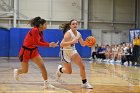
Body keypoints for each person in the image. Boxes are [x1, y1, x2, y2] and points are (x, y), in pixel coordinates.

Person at [14, 16, 58, 89]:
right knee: (25, 70)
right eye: (45, 24)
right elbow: (36, 42)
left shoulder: (41, 32)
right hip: (25, 51)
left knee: (42, 66)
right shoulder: (34, 30)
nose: (46, 26)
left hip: (34, 51)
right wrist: (49, 45)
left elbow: (42, 42)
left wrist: (51, 44)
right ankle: (17, 71)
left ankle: (46, 84)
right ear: (41, 25)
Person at [56, 19, 93, 89]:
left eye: (76, 24)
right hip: (65, 51)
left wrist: (88, 43)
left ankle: (84, 83)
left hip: (73, 50)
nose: (75, 25)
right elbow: (61, 44)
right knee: (69, 71)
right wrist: (72, 42)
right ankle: (60, 69)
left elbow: (82, 43)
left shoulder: (78, 34)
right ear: (70, 26)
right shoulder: (68, 34)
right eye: (73, 24)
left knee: (82, 66)